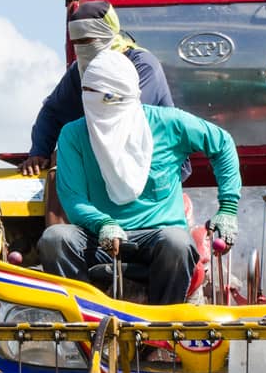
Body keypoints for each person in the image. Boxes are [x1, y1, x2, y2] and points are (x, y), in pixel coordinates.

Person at [38, 51, 240, 305]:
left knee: (177, 242)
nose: (91, 101)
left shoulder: (169, 123)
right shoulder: (73, 135)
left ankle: (163, 328)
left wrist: (229, 208)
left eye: (101, 96)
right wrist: (102, 223)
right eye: (86, 92)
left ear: (123, 95)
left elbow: (222, 144)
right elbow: (72, 197)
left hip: (158, 237)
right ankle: (82, 321)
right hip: (98, 237)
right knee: (55, 239)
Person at [19, 1, 175, 178]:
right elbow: (52, 112)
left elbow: (121, 118)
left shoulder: (143, 66)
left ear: (107, 34)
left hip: (155, 167)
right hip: (105, 168)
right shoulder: (78, 72)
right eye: (77, 43)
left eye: (87, 41)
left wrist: (70, 149)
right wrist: (39, 153)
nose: (82, 49)